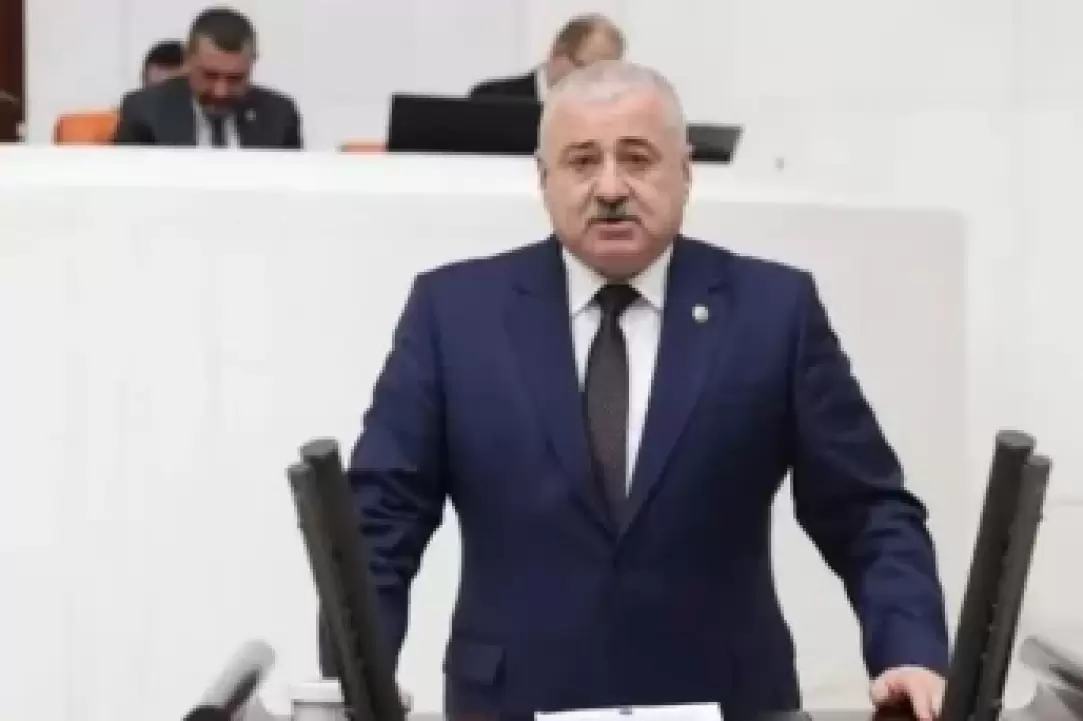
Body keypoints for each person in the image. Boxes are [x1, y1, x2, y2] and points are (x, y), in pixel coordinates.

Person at [342, 60, 949, 720]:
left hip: (729, 703)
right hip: (514, 702)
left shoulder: (775, 311)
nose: (610, 188)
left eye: (637, 158)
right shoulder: (454, 313)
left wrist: (909, 652)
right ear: (543, 179)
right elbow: (380, 519)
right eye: (581, 161)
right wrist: (359, 677)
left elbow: (867, 511)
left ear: (685, 172)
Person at [113, 6, 301, 148]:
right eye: (209, 75)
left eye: (235, 78)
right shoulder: (144, 112)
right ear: (188, 60)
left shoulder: (280, 115)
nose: (221, 92)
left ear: (252, 63)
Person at [468, 13, 624, 101]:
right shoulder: (491, 99)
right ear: (557, 52)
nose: (594, 84)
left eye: (603, 75)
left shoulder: (609, 117)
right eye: (586, 70)